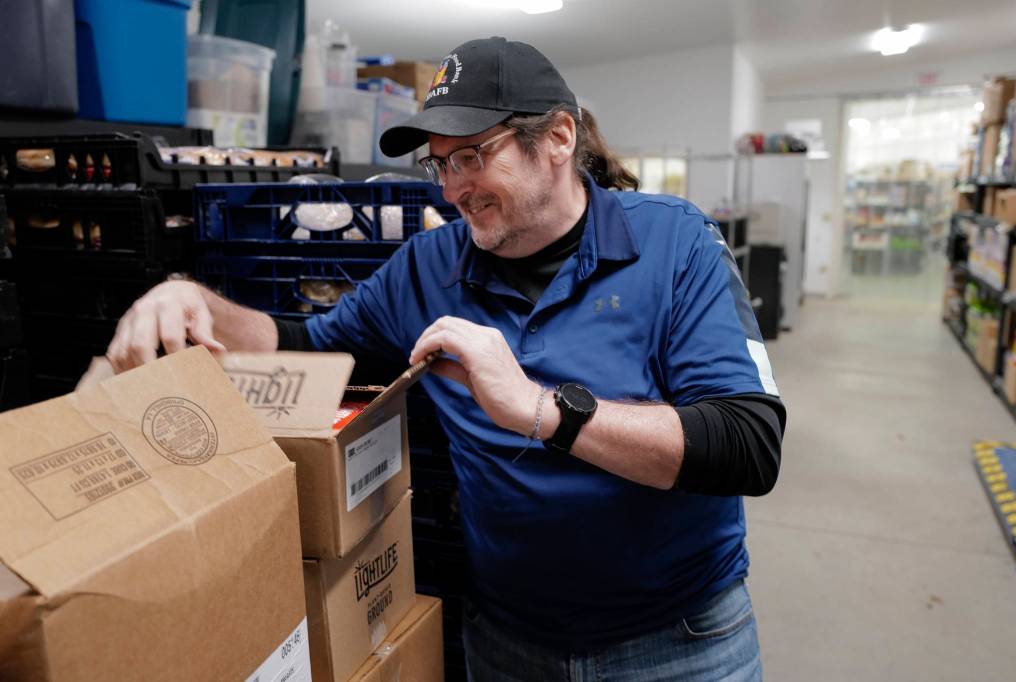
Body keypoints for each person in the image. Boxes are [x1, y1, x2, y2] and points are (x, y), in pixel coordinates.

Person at [107, 36, 785, 682]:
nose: (450, 188)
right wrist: (191, 301)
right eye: (439, 163)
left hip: (678, 642)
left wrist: (538, 409)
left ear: (557, 137)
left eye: (472, 156)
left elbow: (747, 445)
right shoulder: (427, 267)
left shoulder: (674, 244)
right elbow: (306, 345)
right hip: (507, 641)